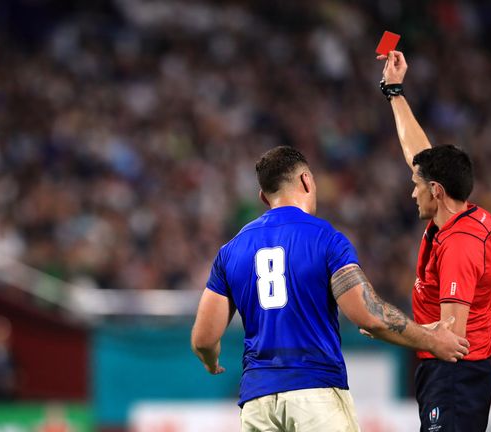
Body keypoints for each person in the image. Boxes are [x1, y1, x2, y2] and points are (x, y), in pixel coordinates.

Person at [191, 146, 470, 432]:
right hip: (315, 393)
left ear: (264, 197)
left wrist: (212, 361)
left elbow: (203, 338)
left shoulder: (231, 251)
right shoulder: (326, 239)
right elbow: (369, 316)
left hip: (257, 402)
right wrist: (433, 340)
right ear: (306, 181)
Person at [378, 50, 491, 432]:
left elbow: (451, 339)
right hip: (455, 377)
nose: (412, 194)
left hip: (454, 377)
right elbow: (419, 157)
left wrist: (386, 324)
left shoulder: (459, 247)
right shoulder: (466, 214)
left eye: (417, 187)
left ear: (437, 191)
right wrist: (394, 92)